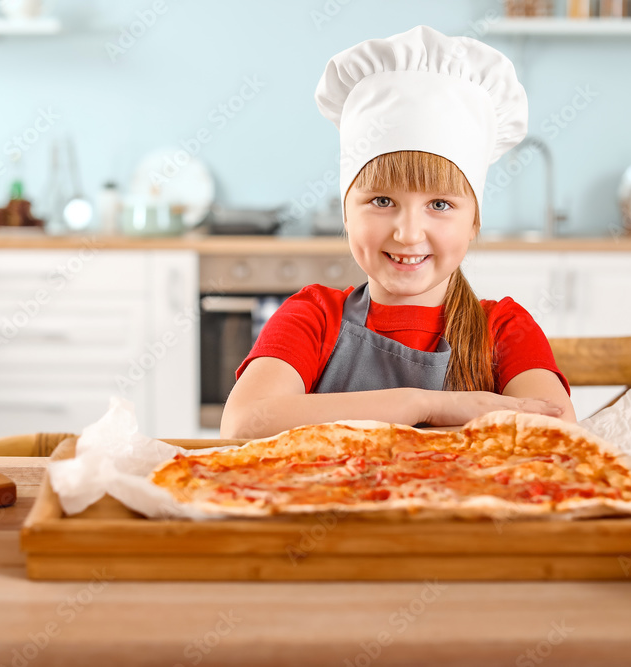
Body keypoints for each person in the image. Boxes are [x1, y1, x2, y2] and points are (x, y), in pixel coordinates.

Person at [220, 26, 575, 440]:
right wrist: (426, 404)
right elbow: (243, 423)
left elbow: (559, 436)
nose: (408, 234)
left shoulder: (505, 329)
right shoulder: (312, 318)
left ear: (474, 221)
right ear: (347, 214)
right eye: (382, 201)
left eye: (439, 205)